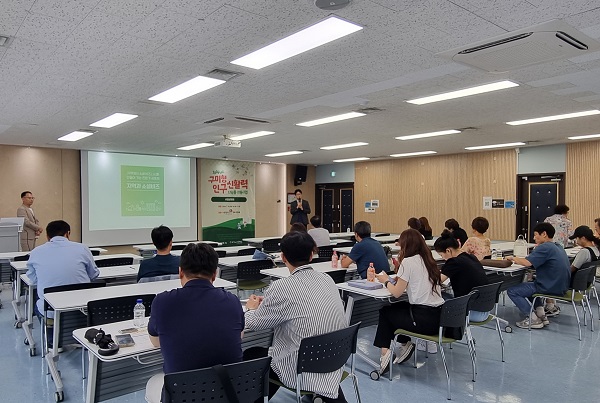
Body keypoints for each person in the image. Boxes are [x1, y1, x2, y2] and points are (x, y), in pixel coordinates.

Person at [243, 231, 347, 402]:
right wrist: (271, 303)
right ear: (311, 255)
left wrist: (251, 309)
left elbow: (255, 323)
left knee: (253, 354)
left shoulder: (281, 287)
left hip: (301, 366)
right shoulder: (327, 279)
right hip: (333, 360)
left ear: (283, 257)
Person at [146, 243, 244, 402]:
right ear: (214, 274)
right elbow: (238, 337)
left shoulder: (162, 301)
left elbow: (156, 342)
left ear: (180, 272)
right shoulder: (232, 301)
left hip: (183, 395)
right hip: (227, 394)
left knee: (153, 382)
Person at [374, 229, 444, 372]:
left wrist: (386, 280)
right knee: (398, 309)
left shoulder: (408, 261)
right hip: (439, 318)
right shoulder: (428, 259)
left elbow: (397, 293)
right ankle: (404, 344)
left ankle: (385, 353)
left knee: (386, 312)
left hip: (422, 320)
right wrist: (395, 279)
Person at [26, 220, 99, 317]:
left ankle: (49, 331)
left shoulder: (36, 252)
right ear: (68, 234)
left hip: (51, 311)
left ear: (47, 236)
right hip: (83, 309)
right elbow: (93, 274)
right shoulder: (82, 248)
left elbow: (34, 280)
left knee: (38, 298)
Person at [506, 223, 570, 329]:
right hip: (561, 285)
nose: (534, 237)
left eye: (536, 235)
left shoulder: (545, 247)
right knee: (529, 286)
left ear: (544, 234)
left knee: (512, 291)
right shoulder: (558, 246)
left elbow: (527, 262)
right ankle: (541, 314)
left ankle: (533, 319)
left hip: (549, 286)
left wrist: (513, 258)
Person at [543, 225, 600, 318]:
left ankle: (550, 307)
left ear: (583, 238)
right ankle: (551, 306)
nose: (576, 241)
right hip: (585, 283)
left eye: (577, 238)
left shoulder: (584, 252)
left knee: (547, 278)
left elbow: (571, 269)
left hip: (572, 283)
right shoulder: (595, 250)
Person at [435, 230, 489, 322]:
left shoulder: (454, 262)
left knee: (435, 297)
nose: (442, 258)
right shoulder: (471, 257)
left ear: (448, 250)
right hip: (485, 309)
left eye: (441, 255)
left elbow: (436, 281)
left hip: (472, 312)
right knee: (444, 295)